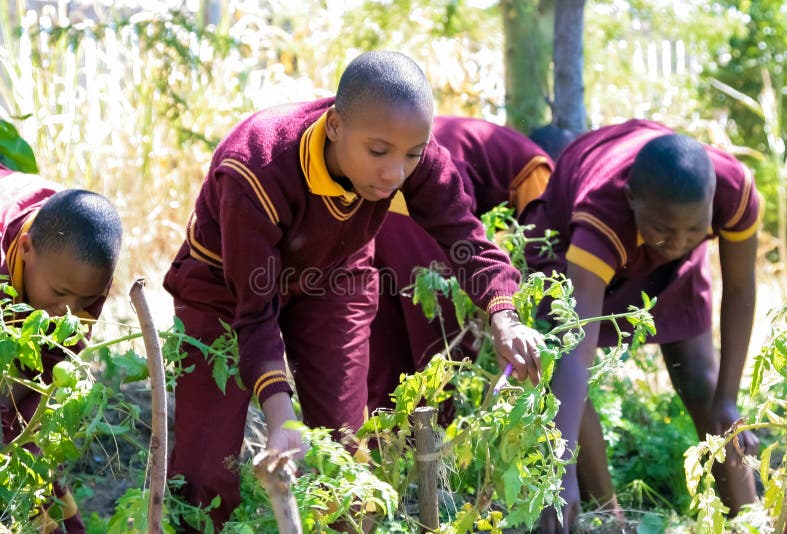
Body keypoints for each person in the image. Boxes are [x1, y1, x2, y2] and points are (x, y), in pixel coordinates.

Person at [162, 50, 544, 530]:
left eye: (412, 154)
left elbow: (464, 237)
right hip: (224, 286)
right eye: (378, 153)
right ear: (336, 126)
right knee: (205, 470)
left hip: (333, 275)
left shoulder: (409, 153)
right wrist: (282, 418)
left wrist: (504, 317)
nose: (395, 174)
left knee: (342, 454)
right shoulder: (257, 167)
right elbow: (254, 313)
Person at [521, 119, 762, 533]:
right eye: (666, 231)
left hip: (660, 224)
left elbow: (739, 290)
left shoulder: (730, 191)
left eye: (695, 229)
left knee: (704, 383)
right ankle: (608, 517)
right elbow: (577, 353)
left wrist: (728, 398)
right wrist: (560, 474)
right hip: (567, 243)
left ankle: (750, 519)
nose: (682, 241)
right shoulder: (602, 215)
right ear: (633, 200)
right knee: (564, 372)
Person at [367, 115, 559, 412]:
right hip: (424, 216)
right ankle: (440, 450)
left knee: (388, 357)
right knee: (442, 360)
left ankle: (384, 450)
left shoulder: (484, 138)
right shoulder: (543, 169)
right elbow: (540, 251)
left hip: (374, 205)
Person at [0, 164, 123, 533]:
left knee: (31, 453)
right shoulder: (38, 243)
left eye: (82, 299)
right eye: (58, 294)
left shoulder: (84, 275)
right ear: (25, 250)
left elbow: (47, 374)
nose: (67, 311)